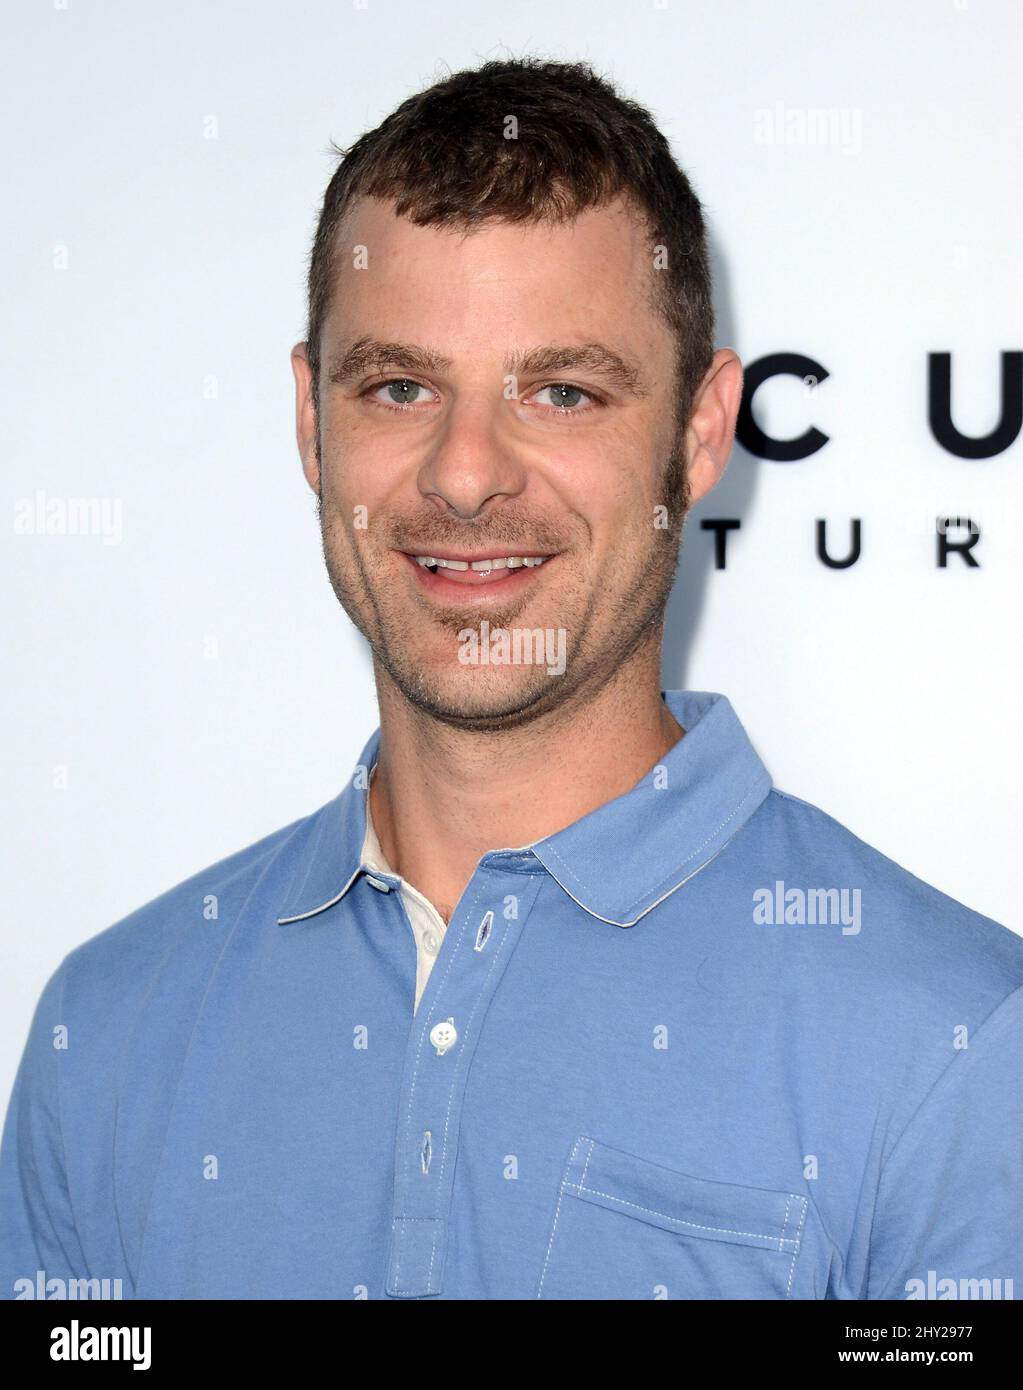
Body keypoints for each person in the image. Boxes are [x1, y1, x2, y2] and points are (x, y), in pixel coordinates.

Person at [3, 57, 1021, 1302]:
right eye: (399, 386)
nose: (467, 471)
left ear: (700, 434)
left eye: (561, 389)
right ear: (312, 425)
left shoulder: (964, 1049)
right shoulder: (102, 1033)